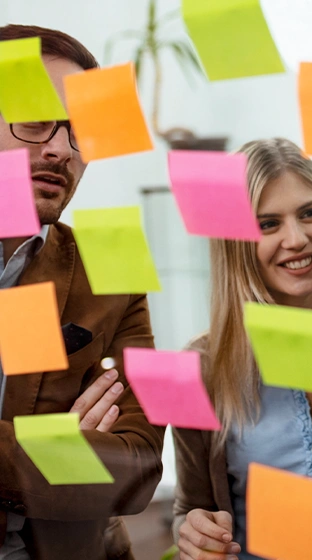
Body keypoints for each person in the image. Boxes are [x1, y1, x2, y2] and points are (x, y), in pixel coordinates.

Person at [0, 24, 164, 560]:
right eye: (34, 119)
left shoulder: (111, 267)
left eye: (79, 131)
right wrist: (60, 451)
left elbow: (139, 466)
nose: (60, 150)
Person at [172, 138, 312, 560]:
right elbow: (191, 507)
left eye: (309, 213)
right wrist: (193, 534)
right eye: (268, 224)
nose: (296, 238)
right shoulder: (201, 369)